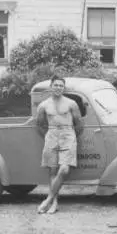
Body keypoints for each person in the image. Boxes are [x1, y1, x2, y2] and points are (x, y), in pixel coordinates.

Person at [33, 75, 84, 215]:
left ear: (64, 88)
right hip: (51, 135)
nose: (58, 88)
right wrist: (49, 135)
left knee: (64, 170)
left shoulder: (71, 103)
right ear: (51, 87)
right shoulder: (44, 105)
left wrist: (71, 137)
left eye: (61, 86)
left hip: (68, 134)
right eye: (56, 85)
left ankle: (48, 199)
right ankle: (54, 203)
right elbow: (39, 124)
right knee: (53, 171)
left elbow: (79, 124)